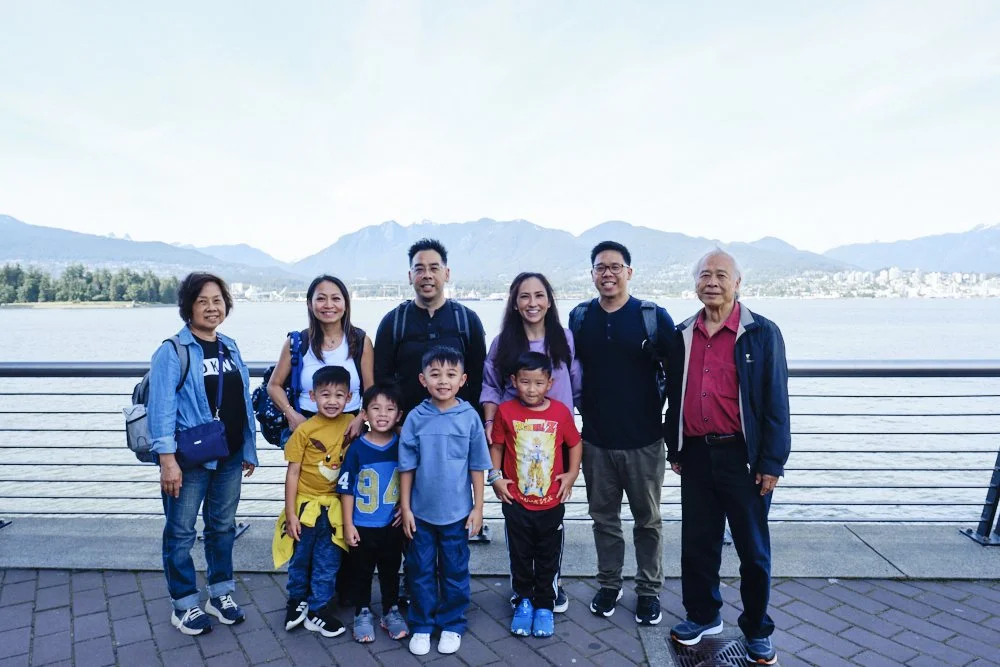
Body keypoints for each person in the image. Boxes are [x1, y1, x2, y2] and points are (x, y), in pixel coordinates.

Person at [664, 249, 790, 665]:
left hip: (744, 458)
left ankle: (756, 629)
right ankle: (703, 615)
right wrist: (675, 446)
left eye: (721, 275)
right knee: (697, 545)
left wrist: (772, 462)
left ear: (738, 283)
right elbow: (673, 396)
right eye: (704, 275)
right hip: (697, 455)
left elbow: (775, 402)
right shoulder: (683, 333)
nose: (712, 282)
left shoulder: (761, 333)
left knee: (753, 551)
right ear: (695, 283)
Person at [570, 241, 675, 625]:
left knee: (648, 521)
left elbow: (678, 373)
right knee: (604, 520)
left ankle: (648, 590)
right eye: (601, 267)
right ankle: (609, 584)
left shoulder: (651, 316)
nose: (608, 273)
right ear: (592, 274)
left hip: (645, 441)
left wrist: (674, 433)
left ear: (629, 272)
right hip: (596, 441)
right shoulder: (580, 318)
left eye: (616, 267)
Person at [148, 272, 258, 635]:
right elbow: (160, 409)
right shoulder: (173, 351)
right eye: (203, 301)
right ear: (187, 307)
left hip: (228, 456)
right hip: (189, 459)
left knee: (222, 528)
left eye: (218, 300)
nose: (212, 308)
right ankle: (183, 604)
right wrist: (167, 462)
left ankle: (220, 593)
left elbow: (241, 400)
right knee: (180, 532)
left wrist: (247, 448)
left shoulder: (230, 346)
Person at [480, 271, 581, 612]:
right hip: (517, 444)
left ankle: (552, 585)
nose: (532, 303)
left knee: (552, 518)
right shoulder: (503, 343)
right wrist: (491, 423)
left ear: (549, 300)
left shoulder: (564, 338)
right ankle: (522, 587)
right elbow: (491, 385)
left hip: (557, 440)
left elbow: (577, 385)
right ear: (515, 302)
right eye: (525, 296)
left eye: (539, 295)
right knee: (520, 520)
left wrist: (575, 457)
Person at [398, 346, 492, 656]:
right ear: (422, 379)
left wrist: (478, 508)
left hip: (457, 513)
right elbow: (407, 466)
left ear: (463, 379)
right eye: (435, 374)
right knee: (420, 570)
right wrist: (407, 507)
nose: (443, 381)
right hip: (422, 514)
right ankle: (422, 624)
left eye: (451, 375)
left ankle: (452, 622)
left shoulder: (469, 418)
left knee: (455, 569)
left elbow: (478, 465)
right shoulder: (415, 418)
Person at [489, 352, 582, 638]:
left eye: (538, 383)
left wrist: (572, 474)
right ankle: (524, 601)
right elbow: (497, 447)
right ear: (513, 381)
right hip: (516, 502)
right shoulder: (506, 412)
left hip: (551, 502)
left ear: (549, 383)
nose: (531, 389)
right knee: (519, 555)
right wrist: (496, 478)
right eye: (525, 382)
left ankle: (544, 604)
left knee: (548, 557)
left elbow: (575, 444)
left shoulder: (560, 413)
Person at [373, 238, 487, 416]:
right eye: (419, 269)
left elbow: (479, 378)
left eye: (434, 268)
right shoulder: (393, 322)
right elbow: (382, 380)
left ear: (447, 274)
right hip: (407, 428)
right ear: (410, 276)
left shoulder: (467, 320)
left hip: (458, 427)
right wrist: (394, 425)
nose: (427, 275)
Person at [281, 365, 354, 638]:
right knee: (300, 557)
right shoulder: (304, 430)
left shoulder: (351, 423)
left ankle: (318, 609)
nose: (332, 401)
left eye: (339, 395)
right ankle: (295, 601)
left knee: (328, 560)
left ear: (349, 397)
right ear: (312, 396)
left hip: (336, 509)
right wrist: (290, 513)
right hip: (306, 506)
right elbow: (293, 473)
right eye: (325, 395)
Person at [337, 383, 410, 643]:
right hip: (362, 523)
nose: (382, 414)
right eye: (375, 408)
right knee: (362, 570)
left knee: (391, 568)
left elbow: (410, 480)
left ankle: (390, 610)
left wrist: (405, 505)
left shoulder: (402, 445)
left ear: (399, 415)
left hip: (392, 523)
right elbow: (346, 488)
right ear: (364, 414)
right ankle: (362, 611)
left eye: (390, 409)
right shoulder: (357, 448)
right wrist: (348, 524)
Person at [267, 274, 373, 444]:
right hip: (307, 429)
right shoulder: (297, 342)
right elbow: (274, 385)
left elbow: (370, 389)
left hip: (348, 431)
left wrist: (361, 418)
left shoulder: (360, 341)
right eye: (321, 299)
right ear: (310, 304)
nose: (329, 305)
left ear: (346, 304)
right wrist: (291, 414)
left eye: (336, 298)